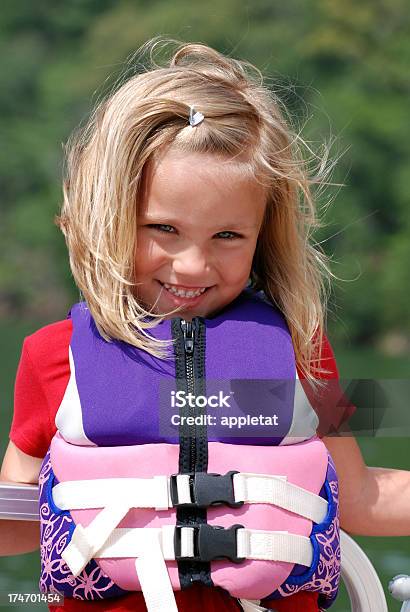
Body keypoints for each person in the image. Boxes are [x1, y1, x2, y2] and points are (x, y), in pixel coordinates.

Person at [1, 40, 409, 612]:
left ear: (262, 238)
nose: (193, 265)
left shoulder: (302, 351)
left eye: (227, 236)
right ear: (108, 216)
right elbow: (17, 521)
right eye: (163, 229)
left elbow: (360, 497)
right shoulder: (51, 356)